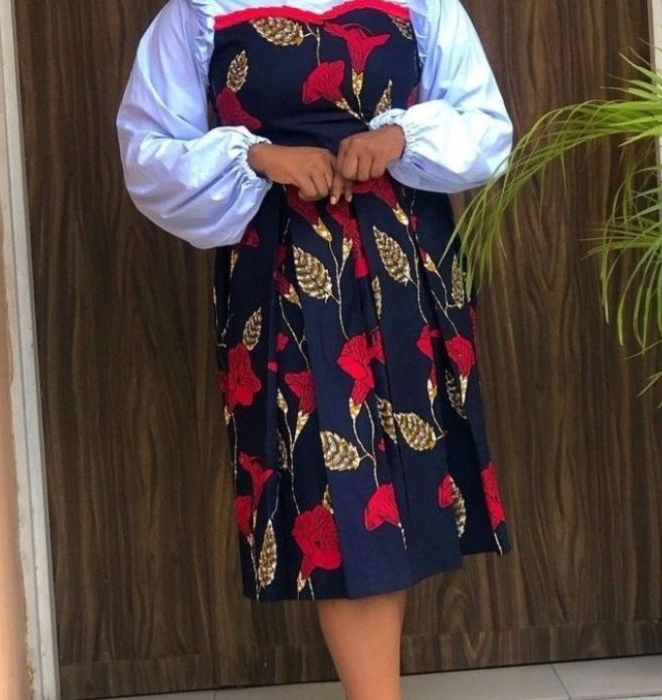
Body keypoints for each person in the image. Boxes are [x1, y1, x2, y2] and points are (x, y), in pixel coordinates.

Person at [116, 1, 514, 698]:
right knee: (334, 480)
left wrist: (397, 138)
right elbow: (148, 151)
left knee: (405, 476)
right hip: (282, 268)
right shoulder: (199, 12)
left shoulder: (425, 5)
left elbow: (487, 125)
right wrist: (259, 156)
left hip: (405, 261)